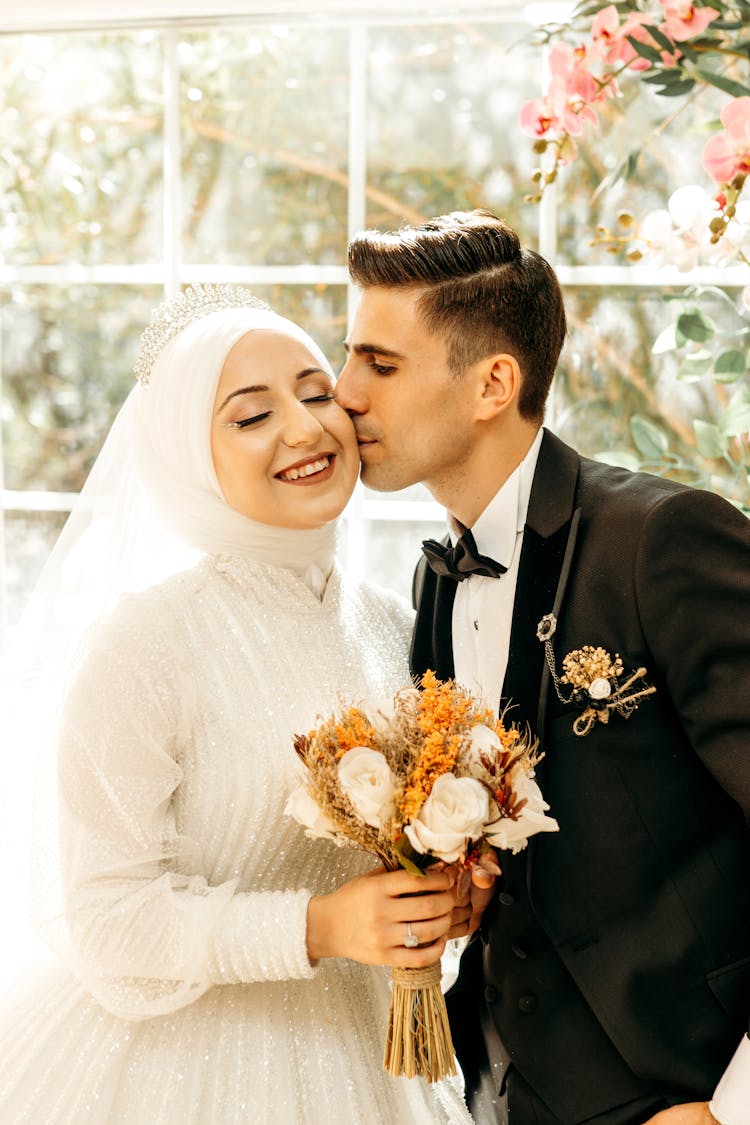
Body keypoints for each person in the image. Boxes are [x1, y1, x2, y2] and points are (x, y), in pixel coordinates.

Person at [0, 285, 475, 1124]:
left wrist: (449, 896)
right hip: (171, 1076)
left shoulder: (397, 626)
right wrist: (319, 927)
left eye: (317, 390)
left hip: (373, 1064)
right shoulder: (146, 643)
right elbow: (108, 923)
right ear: (190, 461)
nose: (303, 427)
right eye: (250, 417)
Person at [334, 210, 750, 1125]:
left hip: (681, 1088)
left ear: (492, 383)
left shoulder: (661, 541)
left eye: (380, 362)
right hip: (499, 1091)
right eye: (349, 356)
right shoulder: (433, 582)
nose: (344, 391)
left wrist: (733, 1105)